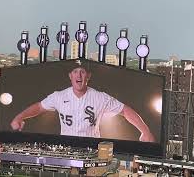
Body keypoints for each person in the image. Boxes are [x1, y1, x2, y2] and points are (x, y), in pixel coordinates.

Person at [11, 60, 155, 142]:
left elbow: (125, 110)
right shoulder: (59, 96)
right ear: (70, 76)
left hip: (92, 148)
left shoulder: (100, 97)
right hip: (66, 146)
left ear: (88, 76)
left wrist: (145, 131)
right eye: (75, 71)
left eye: (82, 71)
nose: (79, 75)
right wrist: (19, 117)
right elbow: (39, 107)